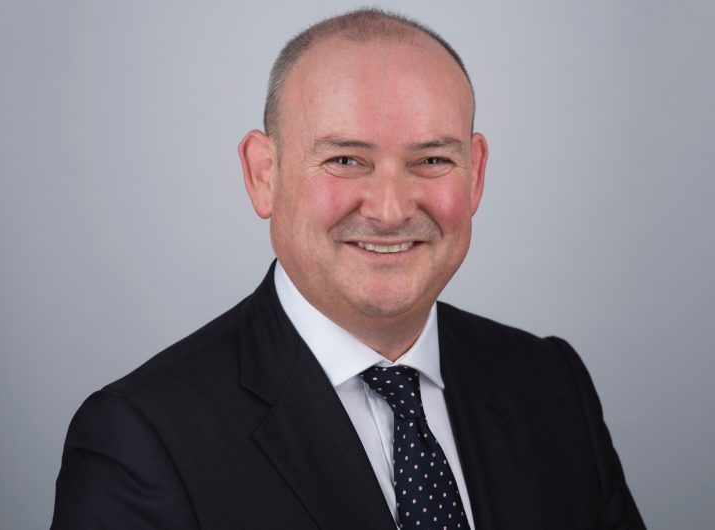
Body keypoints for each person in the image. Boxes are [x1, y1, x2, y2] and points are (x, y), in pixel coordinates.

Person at [52, 9, 645, 530]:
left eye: (431, 159)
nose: (390, 210)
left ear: (476, 174)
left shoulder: (551, 384)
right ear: (263, 175)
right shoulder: (142, 440)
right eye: (345, 160)